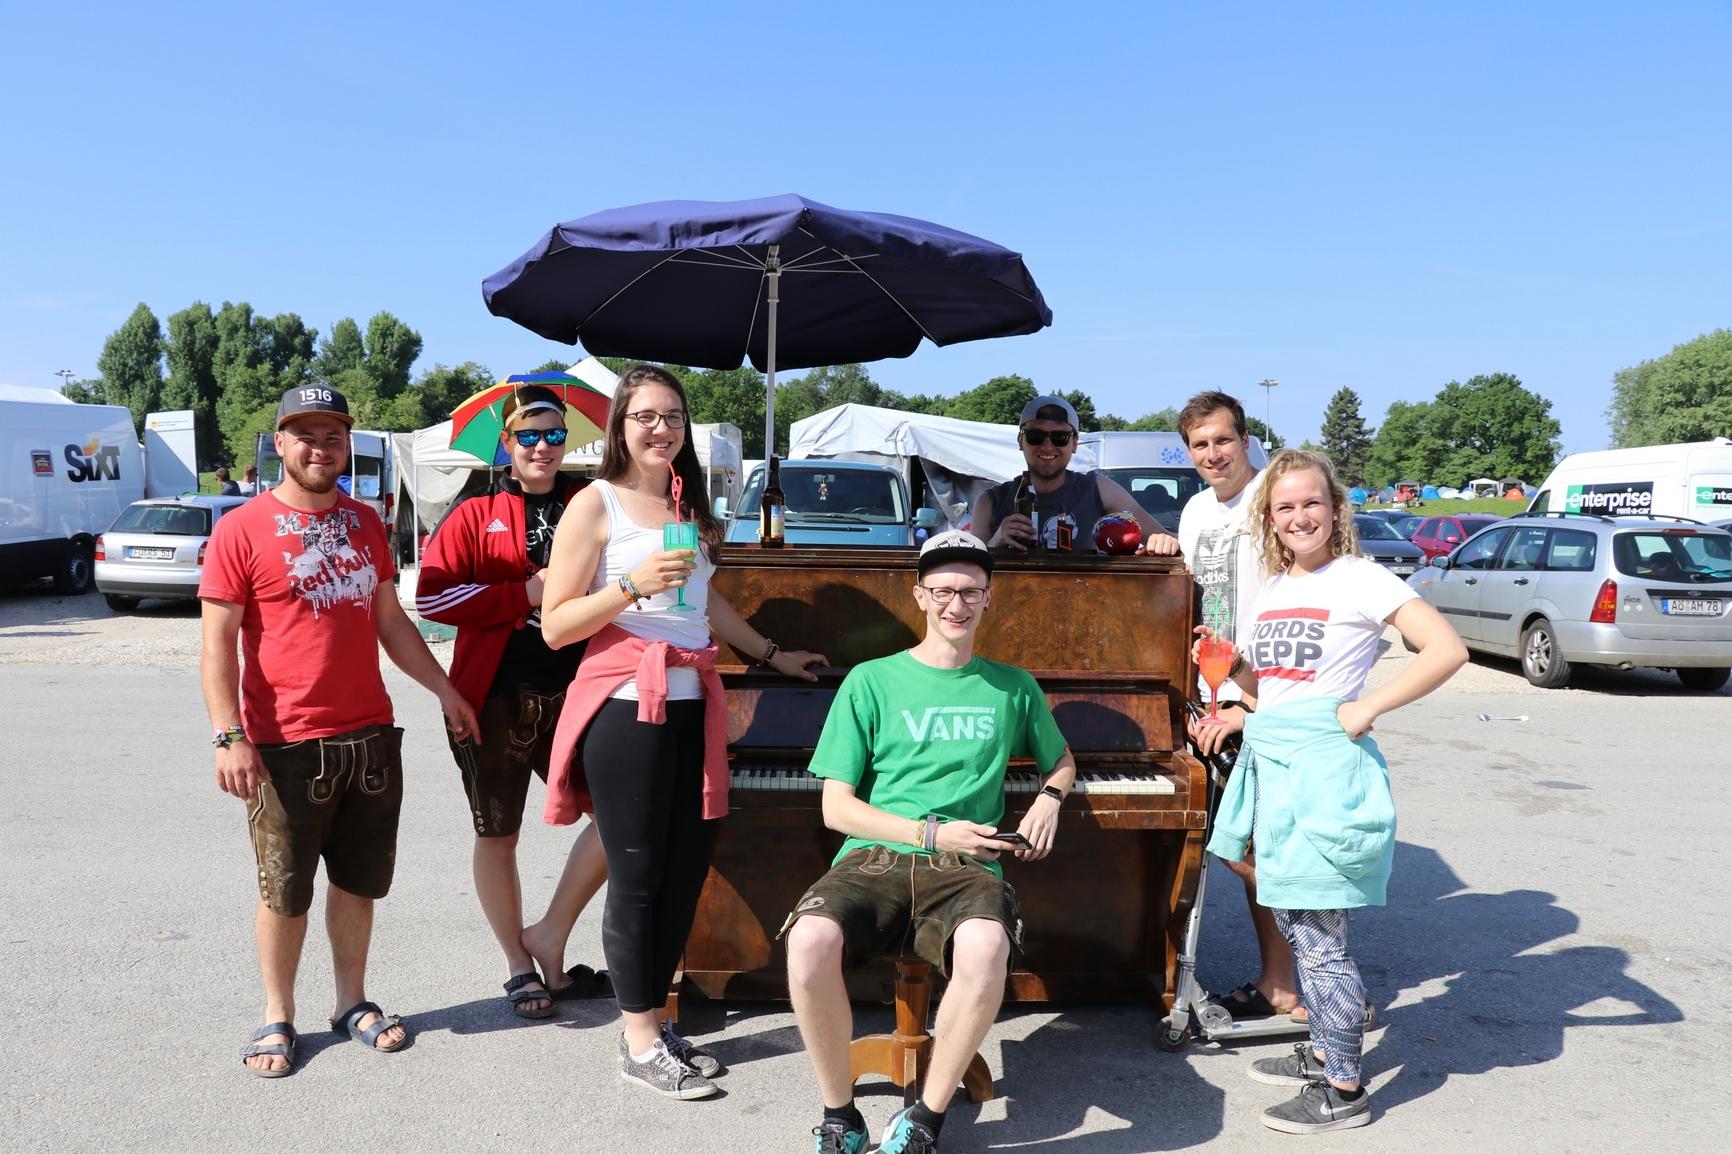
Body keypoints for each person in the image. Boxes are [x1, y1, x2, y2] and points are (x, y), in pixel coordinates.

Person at [538, 364, 826, 1100]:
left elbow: (708, 603)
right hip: (629, 703)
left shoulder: (684, 504)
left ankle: (656, 1020)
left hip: (696, 702)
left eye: (672, 416)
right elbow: (557, 625)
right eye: (645, 417)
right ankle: (637, 1040)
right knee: (636, 879)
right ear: (620, 427)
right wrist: (632, 586)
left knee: (685, 873)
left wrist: (770, 654)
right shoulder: (593, 504)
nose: (660, 429)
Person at [199, 384, 480, 1078]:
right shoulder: (242, 528)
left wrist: (445, 690)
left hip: (370, 740)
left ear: (346, 443)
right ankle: (277, 1015)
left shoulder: (365, 523)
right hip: (283, 746)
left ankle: (351, 1003)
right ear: (280, 444)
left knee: (358, 884)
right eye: (305, 435)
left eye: (332, 435)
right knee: (284, 892)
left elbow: (390, 623)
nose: (319, 448)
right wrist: (227, 733)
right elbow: (217, 645)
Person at [1196, 449, 1466, 1134]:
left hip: (1323, 770)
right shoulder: (1280, 586)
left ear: (1336, 509)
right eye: (1284, 507)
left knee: (1319, 937)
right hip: (1276, 763)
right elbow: (1271, 683)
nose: (1298, 517)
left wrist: (1364, 709)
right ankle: (1322, 1047)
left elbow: (1446, 649)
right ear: (1270, 518)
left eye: (1310, 503)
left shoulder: (1362, 578)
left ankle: (1345, 1088)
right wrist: (1231, 690)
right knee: (1291, 915)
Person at [785, 529, 1077, 1154]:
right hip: (875, 856)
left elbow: (1062, 761)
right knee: (808, 941)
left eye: (970, 591)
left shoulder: (1012, 685)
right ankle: (841, 1116)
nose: (956, 604)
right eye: (943, 590)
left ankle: (925, 1118)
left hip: (968, 866)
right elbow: (835, 808)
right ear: (919, 596)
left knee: (985, 947)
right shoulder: (870, 680)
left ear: (988, 599)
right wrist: (928, 831)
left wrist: (1049, 798)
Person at [416, 384, 610, 1020]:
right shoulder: (475, 513)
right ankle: (519, 964)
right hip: (492, 698)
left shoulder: (591, 502)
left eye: (555, 435)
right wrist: (524, 592)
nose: (543, 447)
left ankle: (548, 932)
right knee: (498, 834)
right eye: (529, 434)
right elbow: (433, 600)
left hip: (580, 693)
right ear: (507, 442)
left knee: (617, 818)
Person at [1176, 390, 1302, 1022]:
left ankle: (1311, 981)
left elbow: (1299, 600)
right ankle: (1283, 979)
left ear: (1246, 440)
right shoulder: (1196, 511)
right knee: (1241, 846)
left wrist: (1249, 702)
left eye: (1223, 440)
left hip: (1264, 703)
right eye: (1200, 444)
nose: (1213, 454)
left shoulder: (1272, 502)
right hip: (1213, 702)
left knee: (1264, 850)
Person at [971, 394, 1180, 556]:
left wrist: (1164, 543)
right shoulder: (991, 502)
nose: (1047, 445)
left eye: (1060, 437)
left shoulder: (1097, 489)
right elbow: (968, 572)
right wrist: (995, 543)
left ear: (1074, 443)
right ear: (1020, 441)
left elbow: (1162, 538)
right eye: (1035, 436)